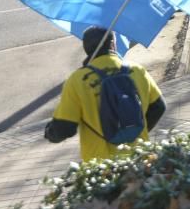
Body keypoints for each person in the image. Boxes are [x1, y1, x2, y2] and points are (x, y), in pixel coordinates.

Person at [45, 27, 165, 162]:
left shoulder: (77, 80)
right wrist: (136, 131)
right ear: (113, 44)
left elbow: (64, 128)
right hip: (139, 156)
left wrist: (50, 133)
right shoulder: (136, 70)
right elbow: (159, 107)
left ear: (86, 49)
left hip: (100, 166)